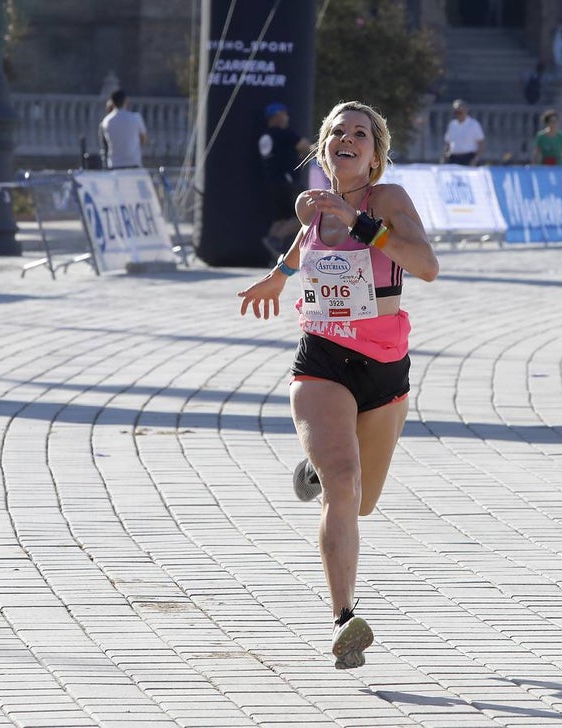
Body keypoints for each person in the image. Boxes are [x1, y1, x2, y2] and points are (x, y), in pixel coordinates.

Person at [236, 101, 439, 670]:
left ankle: (313, 471)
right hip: (322, 358)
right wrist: (277, 277)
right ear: (323, 149)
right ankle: (345, 619)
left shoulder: (387, 200)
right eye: (337, 133)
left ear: (375, 155)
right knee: (345, 483)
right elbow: (307, 245)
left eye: (360, 134)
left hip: (385, 368)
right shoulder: (315, 206)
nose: (347, 140)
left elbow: (427, 267)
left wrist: (361, 226)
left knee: (360, 500)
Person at [259, 102, 312, 260]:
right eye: (284, 114)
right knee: (306, 215)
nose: (287, 117)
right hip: (286, 183)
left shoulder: (265, 135)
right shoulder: (284, 134)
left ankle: (272, 257)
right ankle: (274, 240)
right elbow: (305, 146)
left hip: (270, 183)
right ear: (277, 116)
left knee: (278, 220)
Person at [99, 89, 147, 169]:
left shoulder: (106, 121)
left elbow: (105, 144)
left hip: (114, 164)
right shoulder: (135, 118)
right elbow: (143, 139)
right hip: (133, 162)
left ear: (112, 102)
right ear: (126, 101)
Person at [442, 99, 484, 166]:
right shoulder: (452, 125)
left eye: (460, 111)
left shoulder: (474, 124)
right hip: (453, 158)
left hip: (468, 158)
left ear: (466, 110)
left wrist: (476, 159)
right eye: (456, 112)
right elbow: (448, 143)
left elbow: (480, 143)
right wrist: (444, 157)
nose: (458, 114)